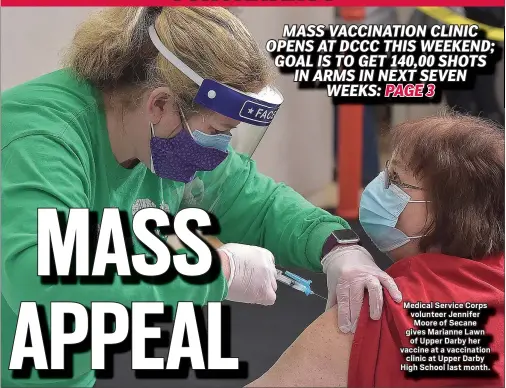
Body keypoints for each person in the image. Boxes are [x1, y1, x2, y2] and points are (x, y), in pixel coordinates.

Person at [1, 7, 402, 387]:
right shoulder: (41, 141)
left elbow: (256, 201)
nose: (222, 150)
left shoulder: (163, 137)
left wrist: (338, 247)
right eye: (217, 129)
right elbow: (42, 284)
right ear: (159, 103)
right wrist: (217, 272)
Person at [247, 112, 505, 387]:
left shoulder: (376, 314)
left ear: (450, 211)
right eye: (386, 170)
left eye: (396, 180)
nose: (378, 186)